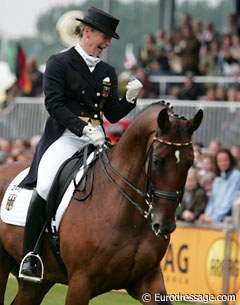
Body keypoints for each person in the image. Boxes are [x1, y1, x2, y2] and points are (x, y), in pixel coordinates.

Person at [18, 6, 143, 281]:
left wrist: (130, 100)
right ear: (87, 31)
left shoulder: (107, 70)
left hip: (98, 139)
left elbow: (111, 114)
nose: (108, 43)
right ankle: (31, 255)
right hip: (66, 136)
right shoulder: (58, 62)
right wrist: (83, 127)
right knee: (46, 183)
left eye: (110, 38)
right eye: (105, 36)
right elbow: (53, 104)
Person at [199, 148, 240, 223]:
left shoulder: (236, 176)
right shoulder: (217, 179)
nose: (223, 163)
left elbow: (229, 200)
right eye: (220, 161)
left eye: (225, 160)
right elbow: (212, 201)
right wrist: (207, 216)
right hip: (213, 220)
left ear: (230, 160)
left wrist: (214, 219)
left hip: (226, 220)